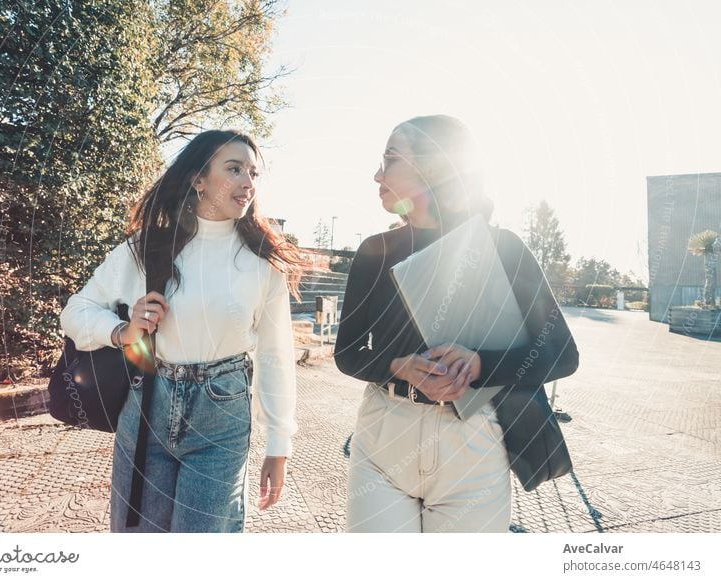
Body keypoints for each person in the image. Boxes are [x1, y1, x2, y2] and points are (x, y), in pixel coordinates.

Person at [334, 115, 579, 532]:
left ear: (435, 166)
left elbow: (562, 354)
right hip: (382, 439)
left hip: (474, 445)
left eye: (390, 159)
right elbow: (347, 354)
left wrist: (480, 364)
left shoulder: (504, 248)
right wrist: (398, 365)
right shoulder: (374, 251)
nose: (377, 174)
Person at [60, 129, 303, 532]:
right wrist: (124, 330)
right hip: (147, 405)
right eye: (234, 169)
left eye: (253, 173)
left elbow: (275, 356)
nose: (248, 182)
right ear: (198, 179)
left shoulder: (262, 264)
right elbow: (76, 311)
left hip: (221, 414)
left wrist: (279, 444)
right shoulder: (146, 247)